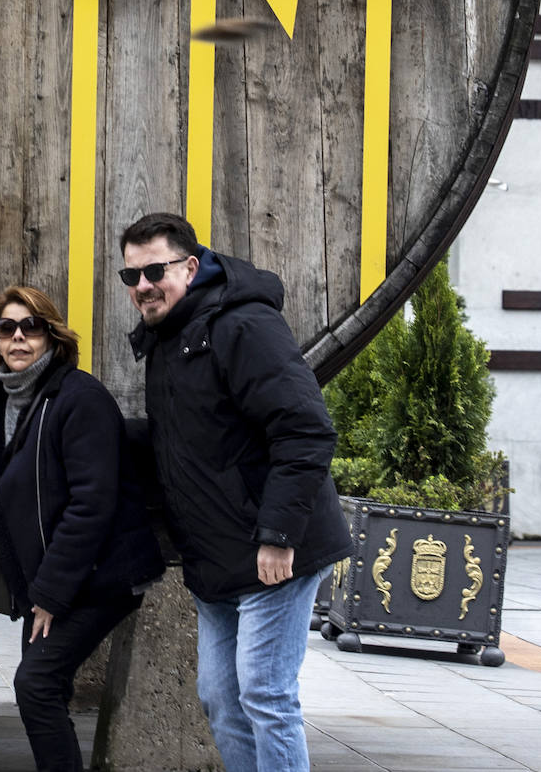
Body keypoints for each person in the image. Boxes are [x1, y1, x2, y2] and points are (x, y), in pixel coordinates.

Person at [119, 212, 351, 772]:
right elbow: (187, 442)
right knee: (220, 698)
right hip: (216, 557)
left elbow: (304, 429)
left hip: (271, 552)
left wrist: (278, 534)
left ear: (191, 266)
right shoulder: (167, 340)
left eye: (156, 270)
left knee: (265, 695)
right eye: (132, 277)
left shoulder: (243, 325)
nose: (144, 285)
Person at [0, 286, 164, 772]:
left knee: (35, 683)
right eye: (6, 329)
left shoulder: (79, 398)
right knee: (45, 687)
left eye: (30, 327)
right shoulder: (2, 405)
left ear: (52, 336)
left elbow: (91, 504)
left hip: (99, 576)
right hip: (53, 578)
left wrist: (49, 595)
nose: (18, 338)